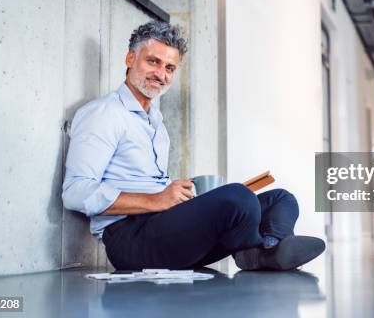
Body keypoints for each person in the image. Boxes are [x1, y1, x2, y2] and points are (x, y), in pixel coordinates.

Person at [62, 20, 325, 271]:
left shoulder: (155, 123)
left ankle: (266, 249)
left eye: (169, 68)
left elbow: (149, 188)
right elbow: (75, 191)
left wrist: (177, 194)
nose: (161, 74)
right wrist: (157, 200)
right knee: (240, 199)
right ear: (130, 58)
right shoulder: (104, 113)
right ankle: (262, 251)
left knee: (281, 199)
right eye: (153, 61)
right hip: (129, 240)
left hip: (162, 226)